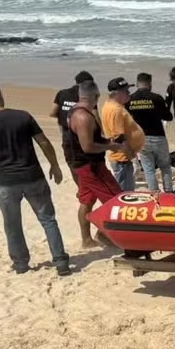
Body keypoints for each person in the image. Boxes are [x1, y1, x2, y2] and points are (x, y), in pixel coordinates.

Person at [0, 83, 72, 276]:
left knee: (12, 225)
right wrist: (55, 165)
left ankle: (21, 264)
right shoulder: (23, 116)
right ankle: (61, 262)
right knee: (48, 220)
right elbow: (44, 142)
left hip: (6, 183)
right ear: (1, 95)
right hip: (33, 176)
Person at [68, 80, 128, 248]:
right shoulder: (83, 116)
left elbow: (90, 140)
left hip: (83, 165)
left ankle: (86, 239)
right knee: (115, 199)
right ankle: (104, 235)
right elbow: (87, 146)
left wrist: (108, 141)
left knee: (86, 201)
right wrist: (112, 146)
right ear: (95, 96)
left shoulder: (77, 111)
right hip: (91, 166)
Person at [127, 71, 174, 192]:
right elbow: (168, 117)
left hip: (141, 139)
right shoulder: (156, 98)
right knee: (165, 166)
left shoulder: (130, 100)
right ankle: (168, 191)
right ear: (150, 84)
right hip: (158, 136)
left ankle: (155, 192)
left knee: (148, 169)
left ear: (137, 83)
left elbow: (126, 118)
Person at [100, 77, 145, 191]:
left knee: (126, 190)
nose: (129, 93)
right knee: (125, 193)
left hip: (123, 157)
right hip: (122, 159)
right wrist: (130, 155)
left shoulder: (112, 106)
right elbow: (118, 137)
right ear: (116, 93)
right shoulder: (115, 110)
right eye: (126, 91)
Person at [49, 70, 94, 182]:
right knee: (88, 162)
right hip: (84, 135)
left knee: (72, 162)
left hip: (66, 135)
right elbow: (95, 117)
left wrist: (65, 117)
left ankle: (80, 186)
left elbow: (52, 113)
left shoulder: (62, 93)